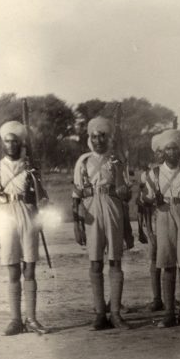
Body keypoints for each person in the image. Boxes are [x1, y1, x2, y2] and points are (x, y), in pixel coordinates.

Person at [0, 121, 50, 335]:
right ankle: (15, 320)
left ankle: (31, 318)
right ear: (2, 143)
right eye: (7, 141)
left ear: (21, 143)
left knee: (29, 268)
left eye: (15, 141)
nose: (11, 145)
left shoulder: (30, 167)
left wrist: (35, 178)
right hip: (5, 217)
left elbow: (43, 199)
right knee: (13, 269)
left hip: (27, 215)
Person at [72, 117, 132, 330]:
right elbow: (76, 194)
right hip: (91, 209)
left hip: (112, 208)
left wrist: (122, 184)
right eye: (94, 137)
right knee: (95, 261)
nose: (98, 140)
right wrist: (77, 223)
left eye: (102, 136)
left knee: (115, 259)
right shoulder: (83, 161)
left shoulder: (116, 160)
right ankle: (99, 313)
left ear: (109, 138)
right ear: (90, 139)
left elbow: (127, 193)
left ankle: (115, 312)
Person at [142, 129, 180, 327]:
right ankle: (168, 313)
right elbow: (145, 199)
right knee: (167, 264)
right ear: (163, 152)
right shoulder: (155, 173)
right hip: (164, 214)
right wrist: (150, 198)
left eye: (175, 148)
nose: (172, 152)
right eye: (168, 149)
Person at [137, 133, 164, 312]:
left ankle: (170, 297)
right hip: (153, 220)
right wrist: (142, 227)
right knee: (154, 258)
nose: (162, 154)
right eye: (159, 151)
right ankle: (157, 298)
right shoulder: (148, 174)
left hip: (171, 218)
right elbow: (140, 203)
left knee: (171, 259)